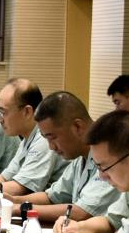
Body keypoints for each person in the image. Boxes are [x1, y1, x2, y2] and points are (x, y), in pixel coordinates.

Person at [13, 92, 119, 224]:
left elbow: (82, 213)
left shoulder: (111, 154)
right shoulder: (80, 156)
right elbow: (52, 196)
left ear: (77, 127)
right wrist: (13, 201)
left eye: (53, 138)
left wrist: (20, 209)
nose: (51, 147)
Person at [0, 79, 59, 196]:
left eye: (3, 112)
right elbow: (4, 178)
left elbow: (20, 189)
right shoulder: (27, 138)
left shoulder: (44, 140)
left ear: (27, 112)